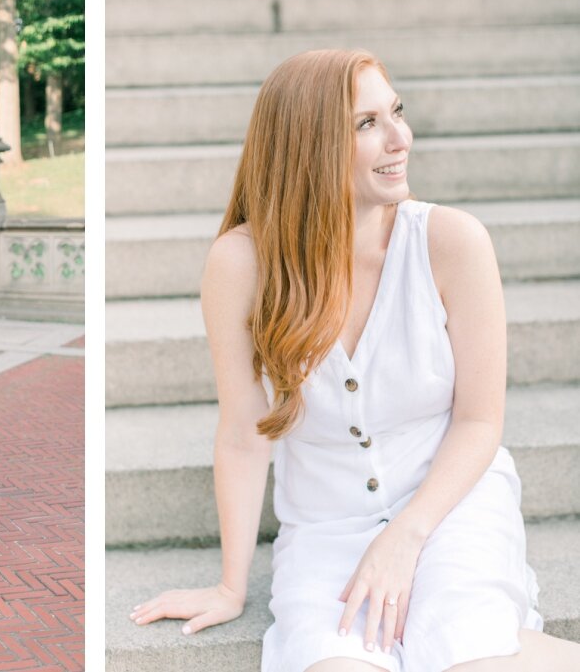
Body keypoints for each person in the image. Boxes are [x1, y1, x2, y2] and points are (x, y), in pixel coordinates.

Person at [132, 50, 580, 671]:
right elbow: (242, 431)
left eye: (396, 112)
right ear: (308, 146)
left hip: (450, 506)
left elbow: (480, 421)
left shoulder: (453, 242)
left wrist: (408, 533)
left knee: (469, 655)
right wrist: (232, 586)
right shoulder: (240, 264)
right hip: (326, 531)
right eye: (366, 124)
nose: (402, 138)